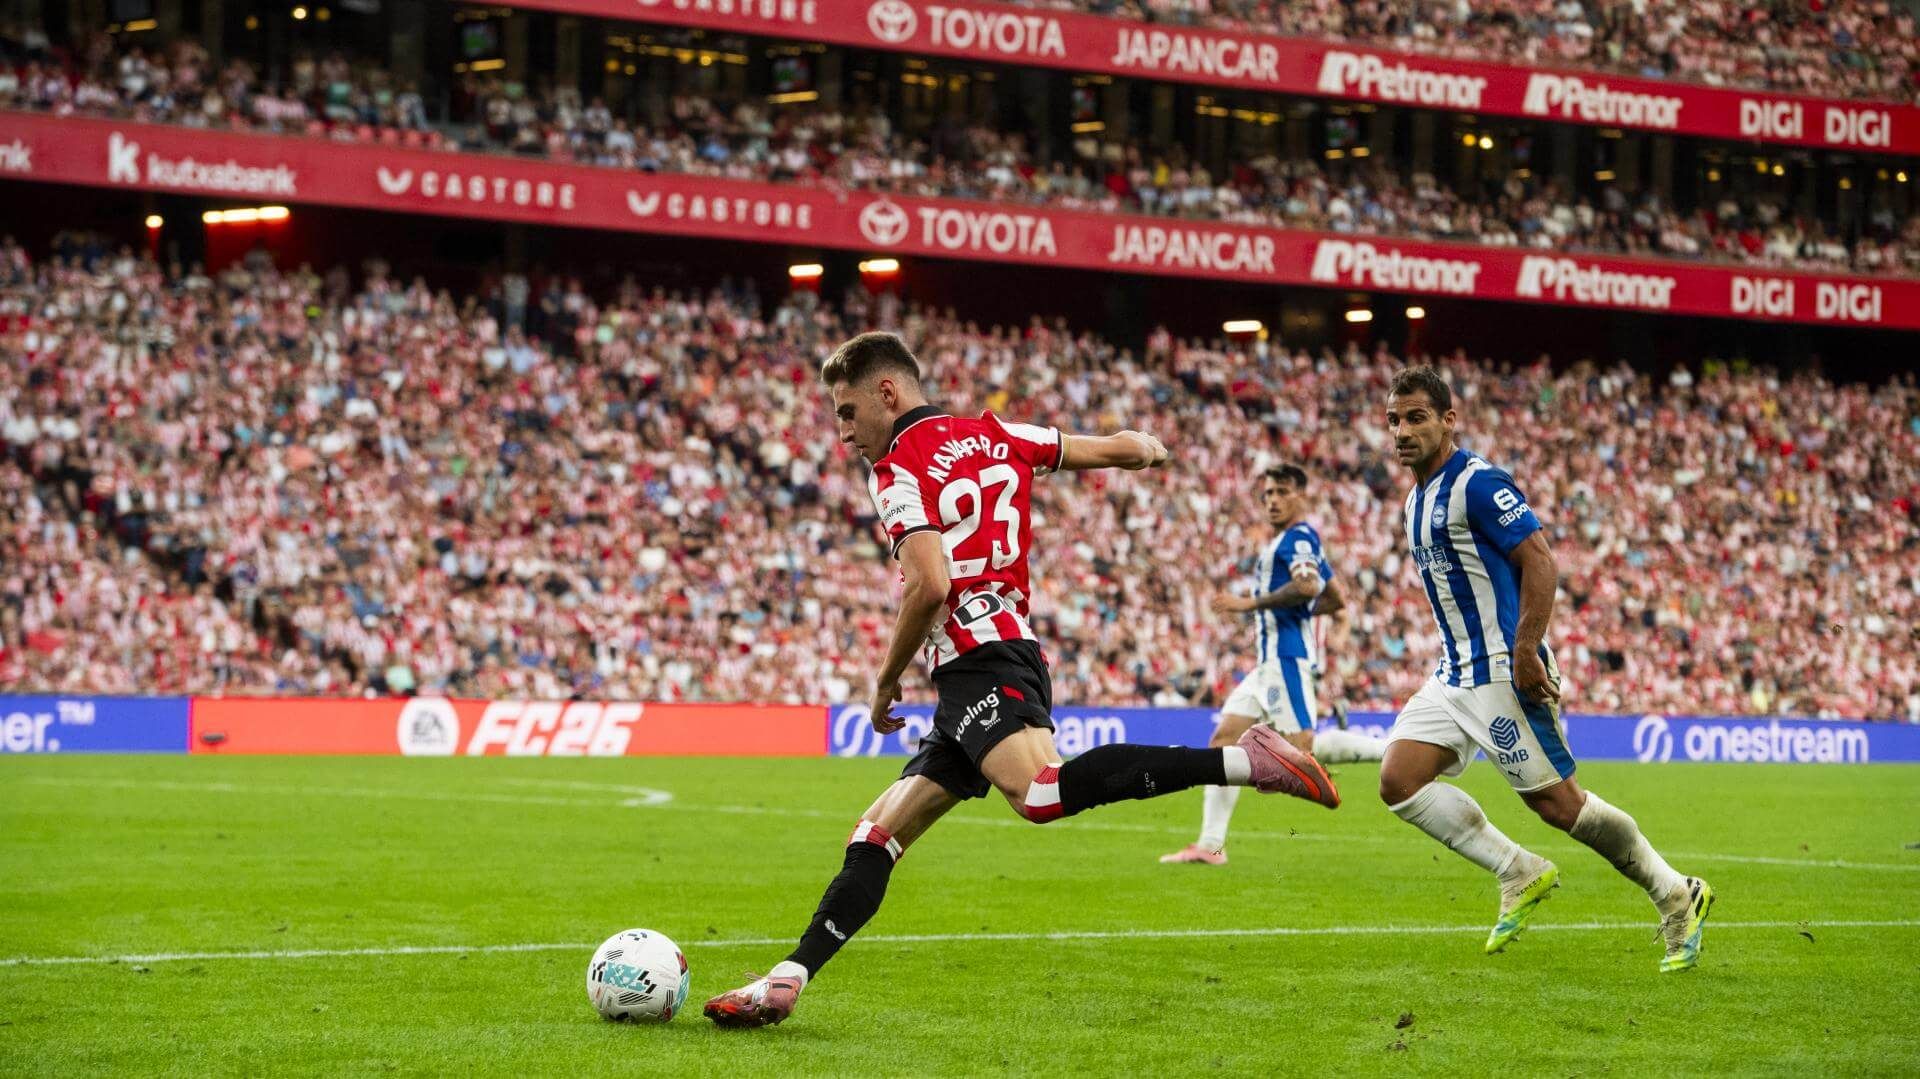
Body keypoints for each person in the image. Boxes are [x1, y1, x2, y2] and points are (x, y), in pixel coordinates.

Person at [703, 332, 1341, 1027]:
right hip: (984, 662)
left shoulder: (895, 469)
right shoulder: (996, 432)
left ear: (887, 392)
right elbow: (1115, 447)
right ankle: (789, 977)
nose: (844, 431)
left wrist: (885, 682)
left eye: (848, 411)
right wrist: (1149, 448)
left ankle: (1246, 758)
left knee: (1040, 793)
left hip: (984, 657)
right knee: (877, 832)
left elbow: (929, 584)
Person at [1376, 365, 1713, 972]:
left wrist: (1526, 649)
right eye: (1394, 420)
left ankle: (1675, 894)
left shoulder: (1478, 483)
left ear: (1449, 420)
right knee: (1399, 780)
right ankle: (1518, 870)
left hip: (1505, 670)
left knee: (1561, 807)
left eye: (1416, 417)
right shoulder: (1414, 499)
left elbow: (1541, 561)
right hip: (1454, 675)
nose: (1402, 430)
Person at [1162, 465, 1389, 866]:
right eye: (1267, 494)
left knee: (1304, 748)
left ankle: (1394, 750)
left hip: (1285, 660)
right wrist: (1305, 613)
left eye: (1282, 492)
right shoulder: (1291, 542)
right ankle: (1210, 846)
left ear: (1301, 496)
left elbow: (1307, 587)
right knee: (1222, 742)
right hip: (1266, 664)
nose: (1272, 500)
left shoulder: (1299, 537)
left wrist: (1251, 604)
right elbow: (1333, 598)